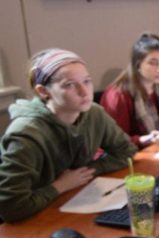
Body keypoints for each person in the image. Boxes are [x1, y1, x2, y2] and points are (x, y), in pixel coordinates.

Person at [0, 49, 137, 223]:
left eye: (87, 81)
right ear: (43, 91)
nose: (84, 91)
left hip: (75, 201)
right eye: (69, 85)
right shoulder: (25, 135)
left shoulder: (93, 113)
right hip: (38, 218)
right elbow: (11, 207)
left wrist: (86, 173)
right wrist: (61, 185)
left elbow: (127, 151)